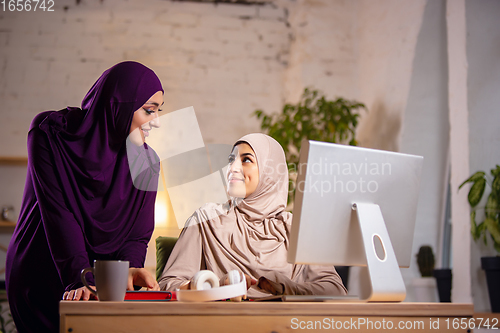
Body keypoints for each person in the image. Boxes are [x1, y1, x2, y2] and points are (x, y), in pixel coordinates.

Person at [5, 61, 163, 333]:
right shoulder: (50, 133)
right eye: (149, 110)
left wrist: (128, 271)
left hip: (103, 286)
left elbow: (137, 235)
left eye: (159, 111)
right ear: (117, 105)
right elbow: (59, 215)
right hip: (44, 271)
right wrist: (80, 276)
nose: (157, 122)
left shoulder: (148, 163)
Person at [158, 133, 347, 298]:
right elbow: (169, 285)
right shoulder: (207, 219)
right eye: (231, 160)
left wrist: (287, 288)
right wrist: (213, 287)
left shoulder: (296, 228)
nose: (232, 169)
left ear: (270, 171)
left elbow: (334, 289)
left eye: (246, 160)